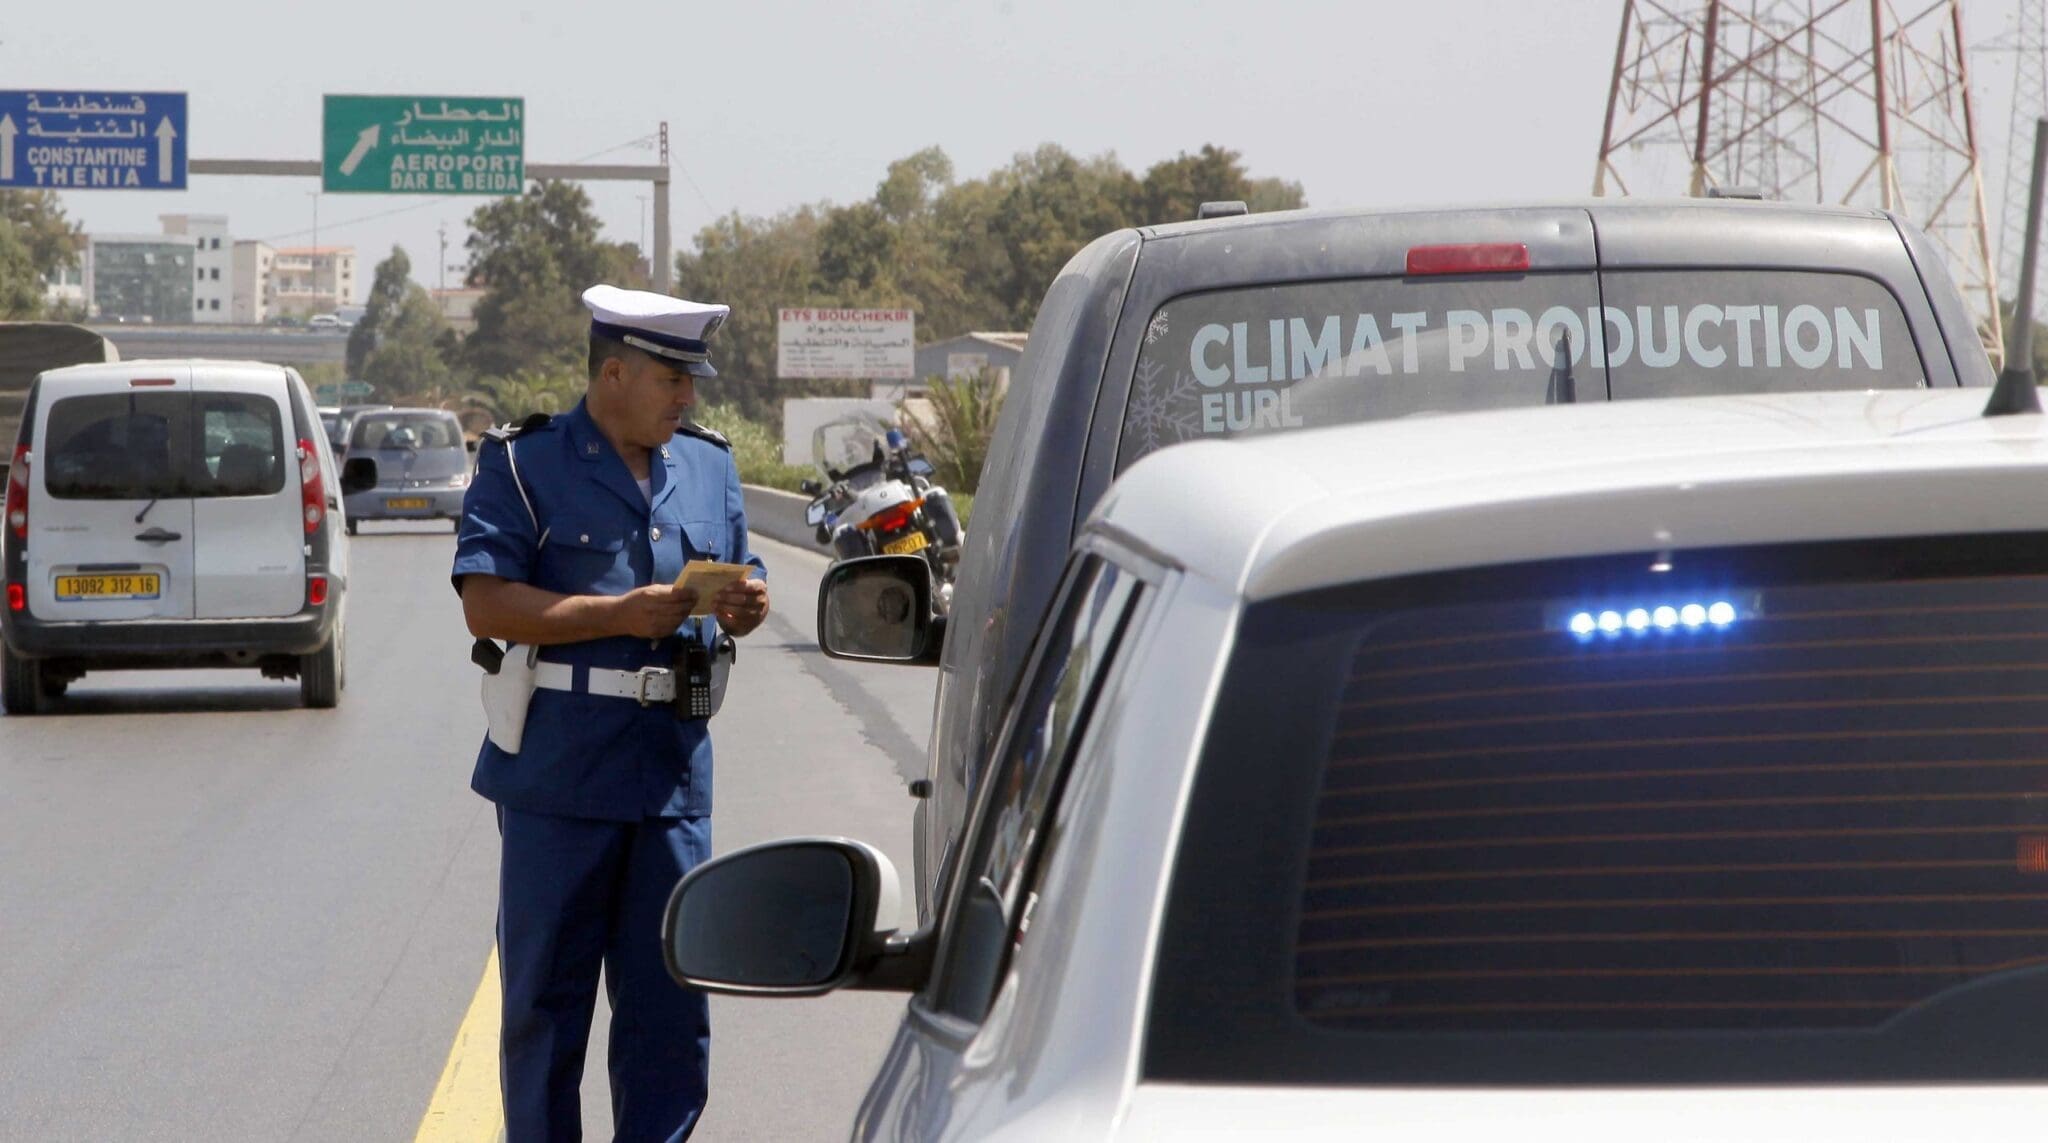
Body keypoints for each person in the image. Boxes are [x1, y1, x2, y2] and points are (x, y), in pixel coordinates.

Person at [450, 283, 770, 1142]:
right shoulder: (525, 462)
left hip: (671, 781)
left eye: (691, 380)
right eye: (672, 378)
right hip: (560, 780)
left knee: (671, 1015)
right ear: (615, 373)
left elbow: (746, 574)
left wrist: (747, 604)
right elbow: (486, 602)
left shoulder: (709, 464)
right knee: (545, 1013)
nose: (687, 396)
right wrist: (618, 615)